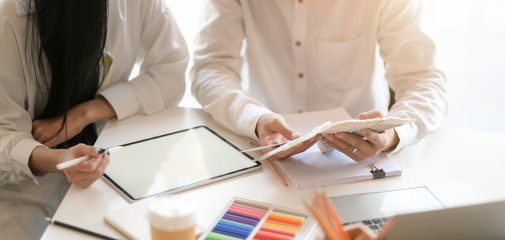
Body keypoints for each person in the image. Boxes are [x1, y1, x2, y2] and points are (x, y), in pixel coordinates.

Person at [0, 0, 188, 238]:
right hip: (23, 190)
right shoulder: (9, 15)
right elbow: (3, 133)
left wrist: (86, 113)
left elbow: (172, 71)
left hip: (104, 176)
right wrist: (58, 159)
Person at [190, 0, 447, 161]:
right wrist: (254, 118)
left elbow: (424, 80)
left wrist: (392, 136)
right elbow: (211, 68)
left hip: (365, 162)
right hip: (267, 154)